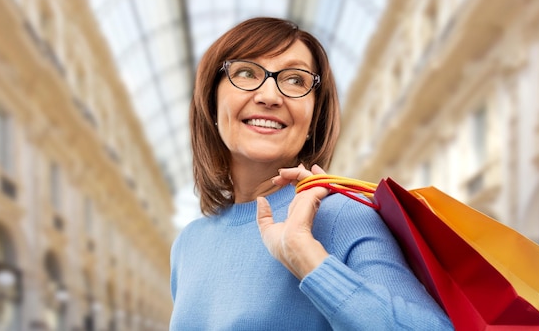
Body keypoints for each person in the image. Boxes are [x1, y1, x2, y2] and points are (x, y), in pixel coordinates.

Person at [170, 17, 453, 330]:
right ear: (211, 104)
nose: (269, 96)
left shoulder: (342, 216)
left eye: (294, 80)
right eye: (246, 72)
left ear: (313, 119)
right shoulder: (188, 244)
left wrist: (306, 257)